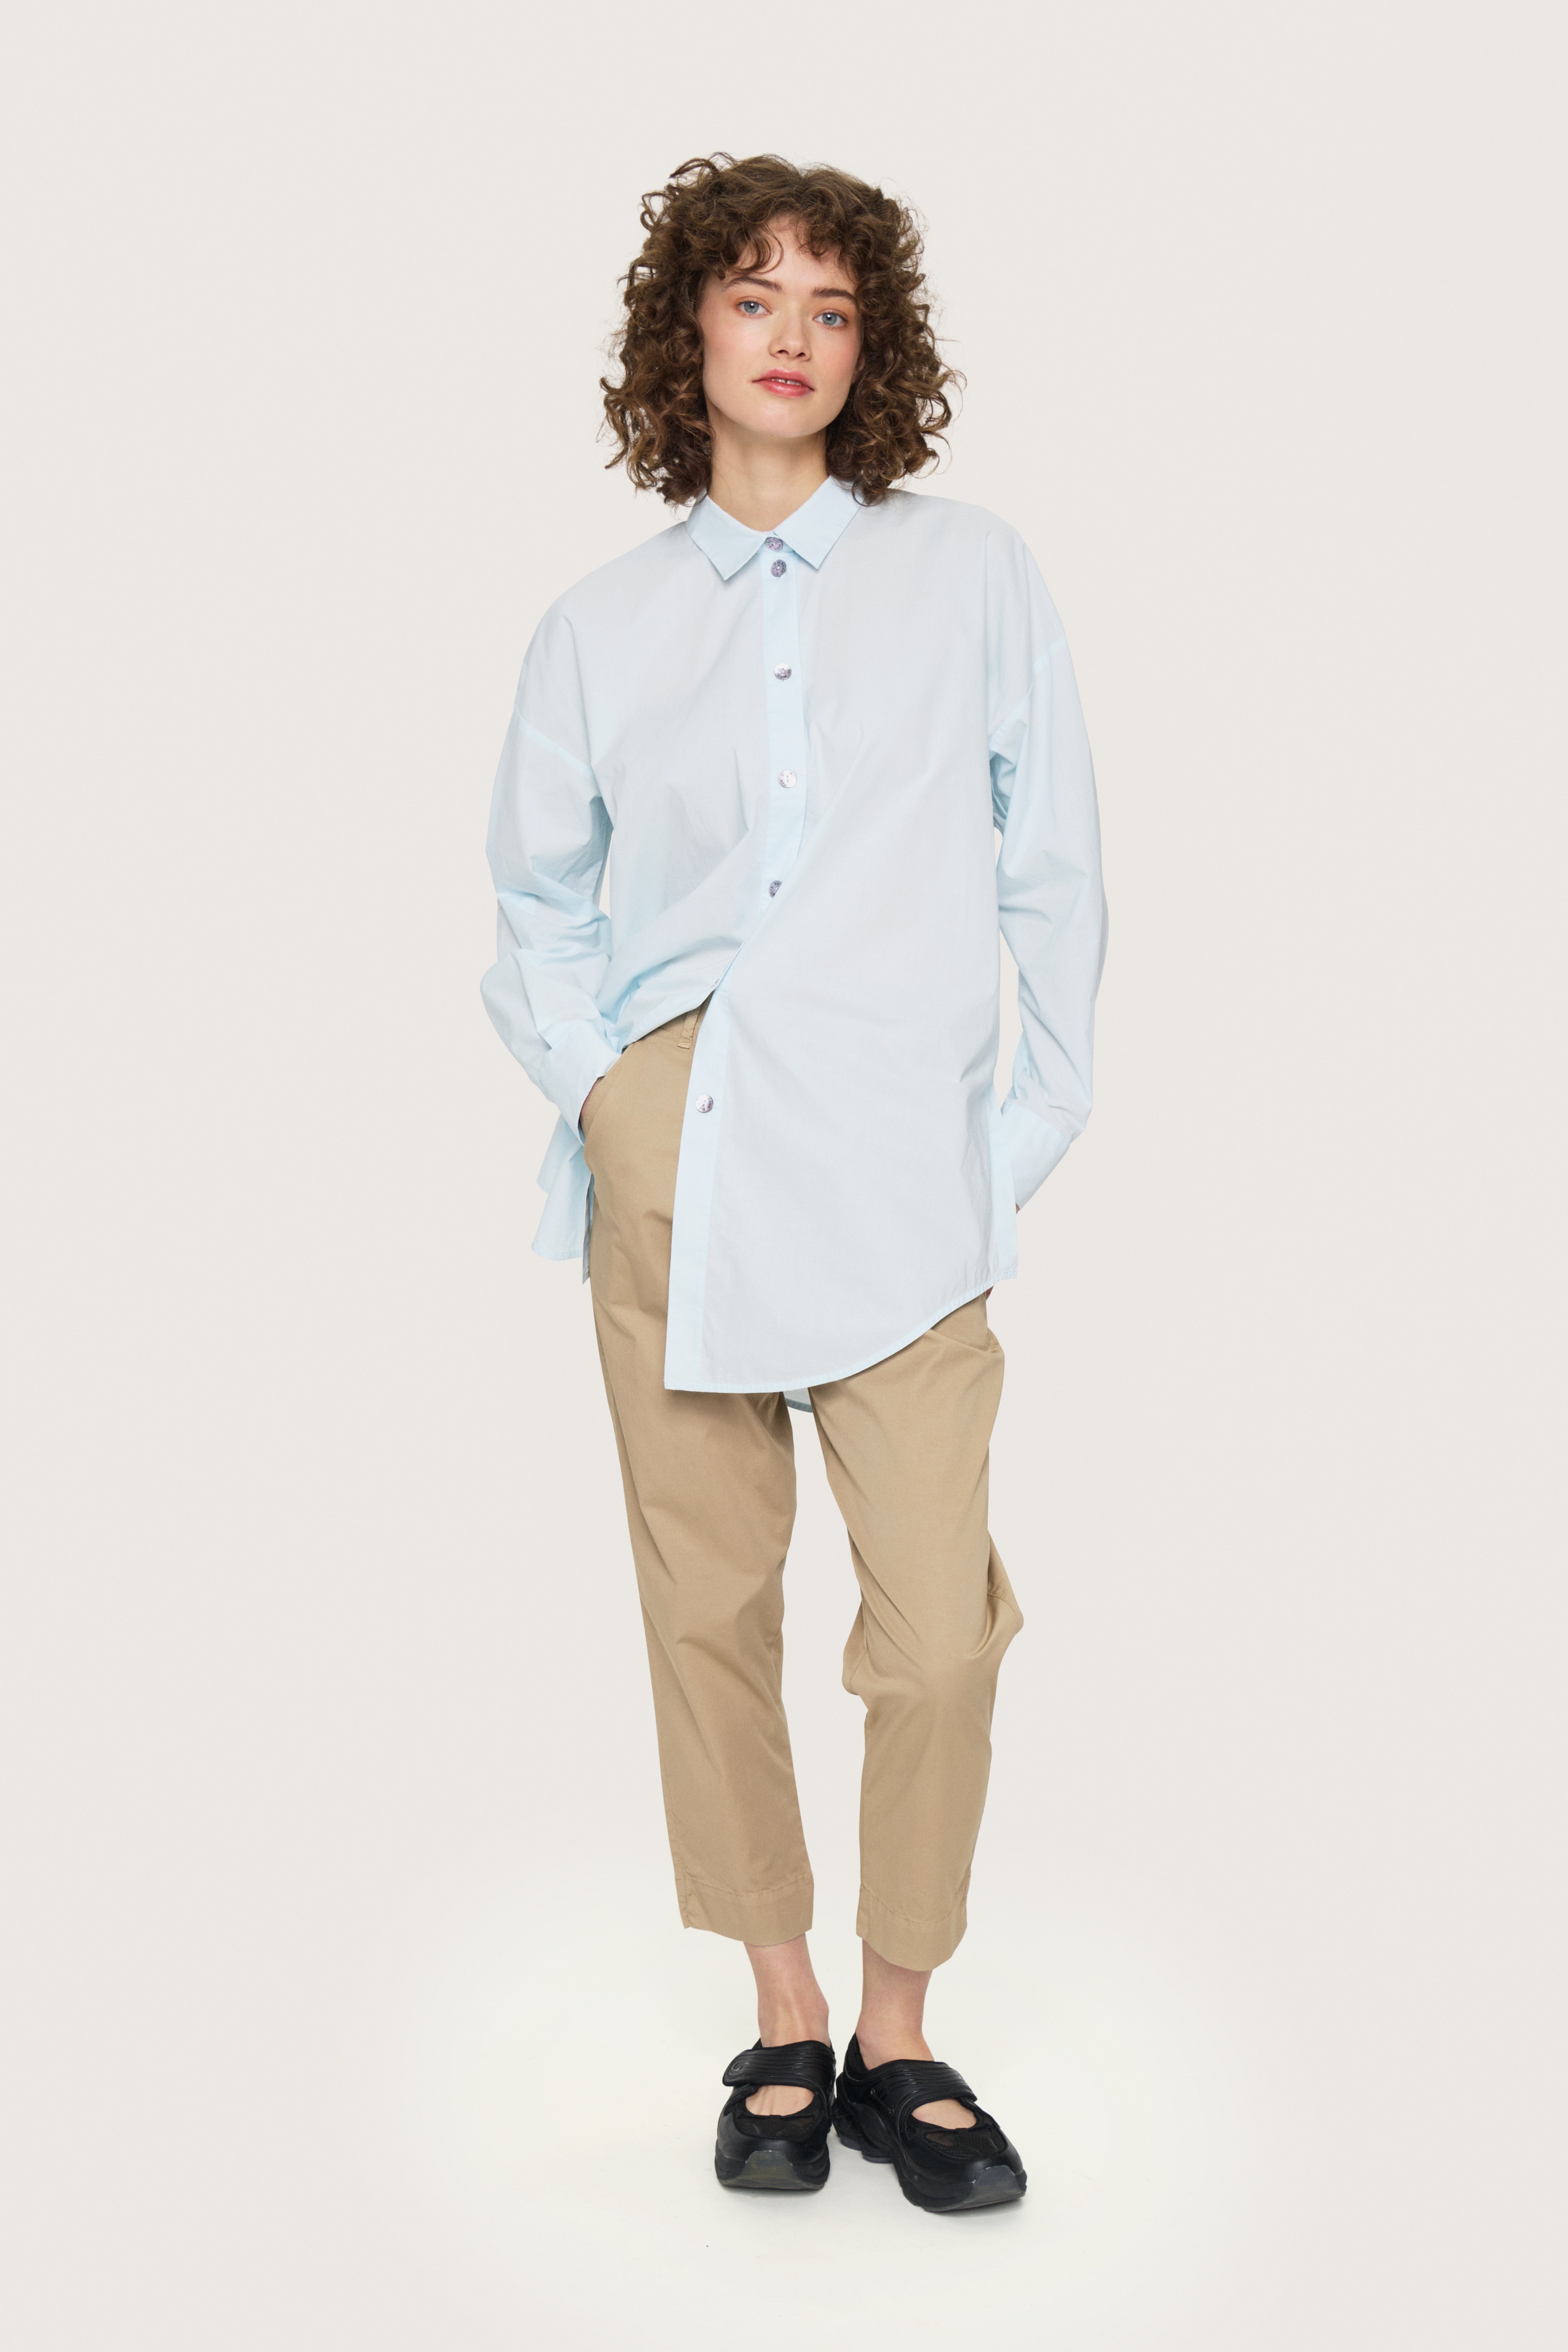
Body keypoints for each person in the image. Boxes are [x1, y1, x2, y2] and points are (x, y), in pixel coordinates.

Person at [482, 152, 1105, 2213]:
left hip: (902, 1164)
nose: (793, 338)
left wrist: (1013, 1136)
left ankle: (902, 2027)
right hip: (678, 1151)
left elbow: (1053, 863)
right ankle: (783, 2007)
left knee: (937, 1637)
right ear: (687, 333)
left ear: (873, 349)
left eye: (833, 308)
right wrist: (602, 1096)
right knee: (708, 1602)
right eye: (754, 297)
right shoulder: (600, 625)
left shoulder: (971, 574)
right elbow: (534, 906)